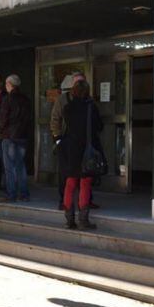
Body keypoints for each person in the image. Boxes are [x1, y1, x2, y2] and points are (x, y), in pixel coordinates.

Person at [58, 80, 103, 230]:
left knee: (70, 183)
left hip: (71, 150)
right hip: (87, 150)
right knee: (85, 183)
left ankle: (69, 220)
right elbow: (99, 126)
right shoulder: (91, 108)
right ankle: (83, 220)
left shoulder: (67, 108)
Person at [51, 71, 98, 210]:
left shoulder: (89, 102)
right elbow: (55, 119)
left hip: (84, 144)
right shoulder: (64, 101)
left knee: (83, 175)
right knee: (69, 175)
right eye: (78, 82)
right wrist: (58, 138)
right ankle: (67, 204)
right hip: (68, 142)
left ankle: (82, 204)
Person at [0, 74, 32, 202]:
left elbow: (3, 119)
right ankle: (24, 194)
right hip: (22, 136)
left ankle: (11, 194)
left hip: (9, 136)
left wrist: (0, 131)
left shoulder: (7, 99)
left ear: (9, 85)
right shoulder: (26, 99)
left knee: (9, 167)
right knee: (20, 165)